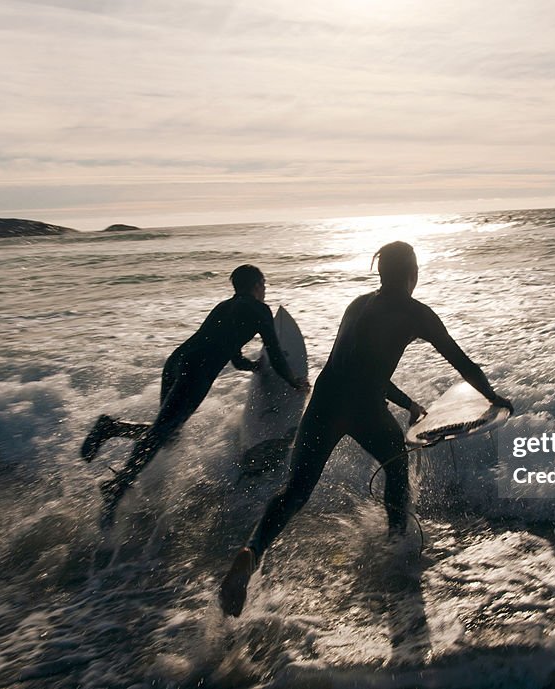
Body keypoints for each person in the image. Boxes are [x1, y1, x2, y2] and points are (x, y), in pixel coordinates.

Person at [218, 241, 513, 616]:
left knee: (294, 491)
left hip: (324, 401)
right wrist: (494, 397)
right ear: (412, 273)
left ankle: (251, 552)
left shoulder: (357, 305)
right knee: (395, 467)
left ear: (380, 272)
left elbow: (356, 364)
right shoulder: (416, 312)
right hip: (363, 406)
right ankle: (396, 549)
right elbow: (462, 363)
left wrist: (408, 404)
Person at [81, 264, 308, 523]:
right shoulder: (259, 309)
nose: (265, 289)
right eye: (264, 284)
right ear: (257, 285)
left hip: (177, 361)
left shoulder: (224, 306)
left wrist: (252, 366)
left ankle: (112, 428)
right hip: (196, 371)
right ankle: (118, 485)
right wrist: (294, 381)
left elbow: (234, 358)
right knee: (161, 433)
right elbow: (277, 355)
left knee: (167, 435)